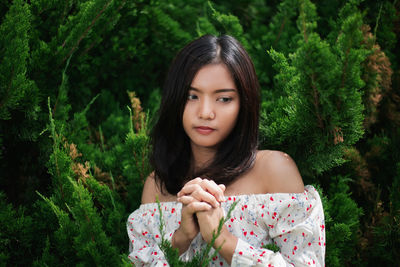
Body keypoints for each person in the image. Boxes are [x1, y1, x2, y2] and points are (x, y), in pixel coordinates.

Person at [127, 34, 325, 266]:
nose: (206, 112)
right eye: (192, 96)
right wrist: (181, 238)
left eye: (223, 99)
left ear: (244, 103)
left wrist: (222, 239)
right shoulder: (157, 185)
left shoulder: (274, 170)